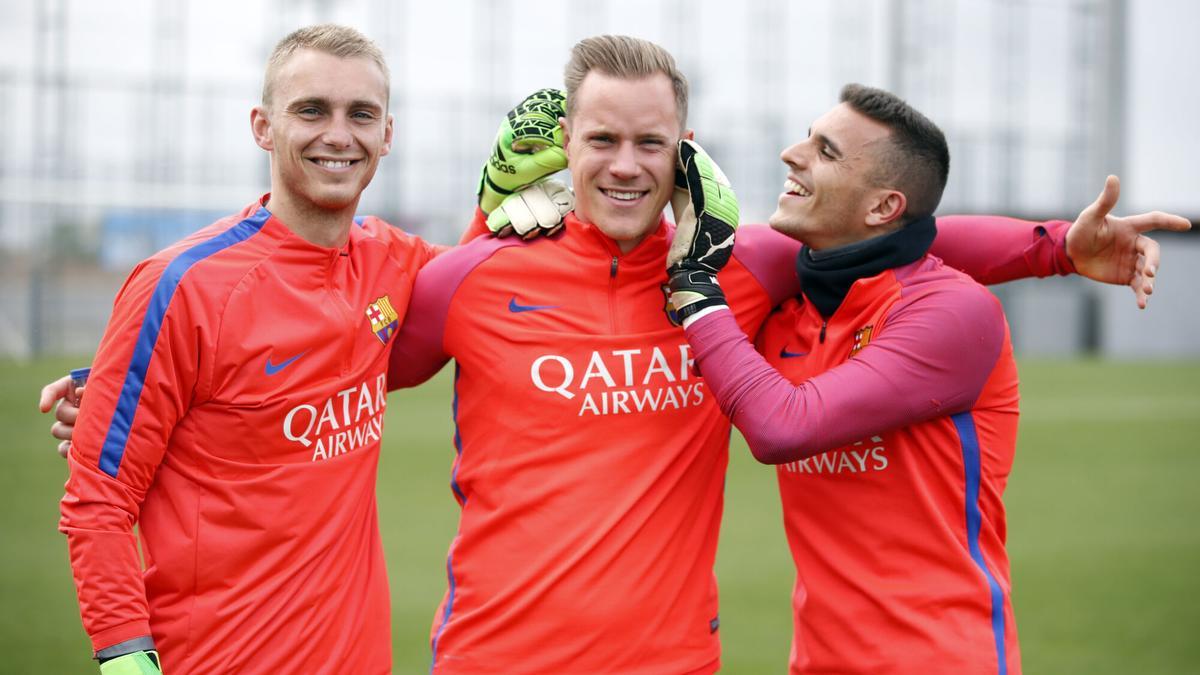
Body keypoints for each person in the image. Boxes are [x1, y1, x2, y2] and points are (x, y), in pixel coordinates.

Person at [44, 34, 1187, 674]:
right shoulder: (465, 277)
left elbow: (887, 234)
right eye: (602, 138)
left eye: (651, 140)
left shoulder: (738, 268)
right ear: (568, 145)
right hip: (492, 660)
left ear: (682, 146)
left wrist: (1053, 247)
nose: (626, 163)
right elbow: (326, 346)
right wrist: (126, 392)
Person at [665, 84, 1192, 673]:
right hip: (817, 661)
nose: (792, 153)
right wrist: (1055, 246)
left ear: (883, 207)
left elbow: (781, 427)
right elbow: (914, 237)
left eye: (826, 151)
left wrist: (697, 297)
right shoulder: (793, 301)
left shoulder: (953, 314)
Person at [51, 24, 442, 674]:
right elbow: (98, 500)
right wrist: (124, 657)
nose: (338, 134)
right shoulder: (183, 285)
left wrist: (507, 199)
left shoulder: (393, 261)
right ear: (263, 126)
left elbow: (491, 283)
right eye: (311, 110)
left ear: (387, 134)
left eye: (360, 114)